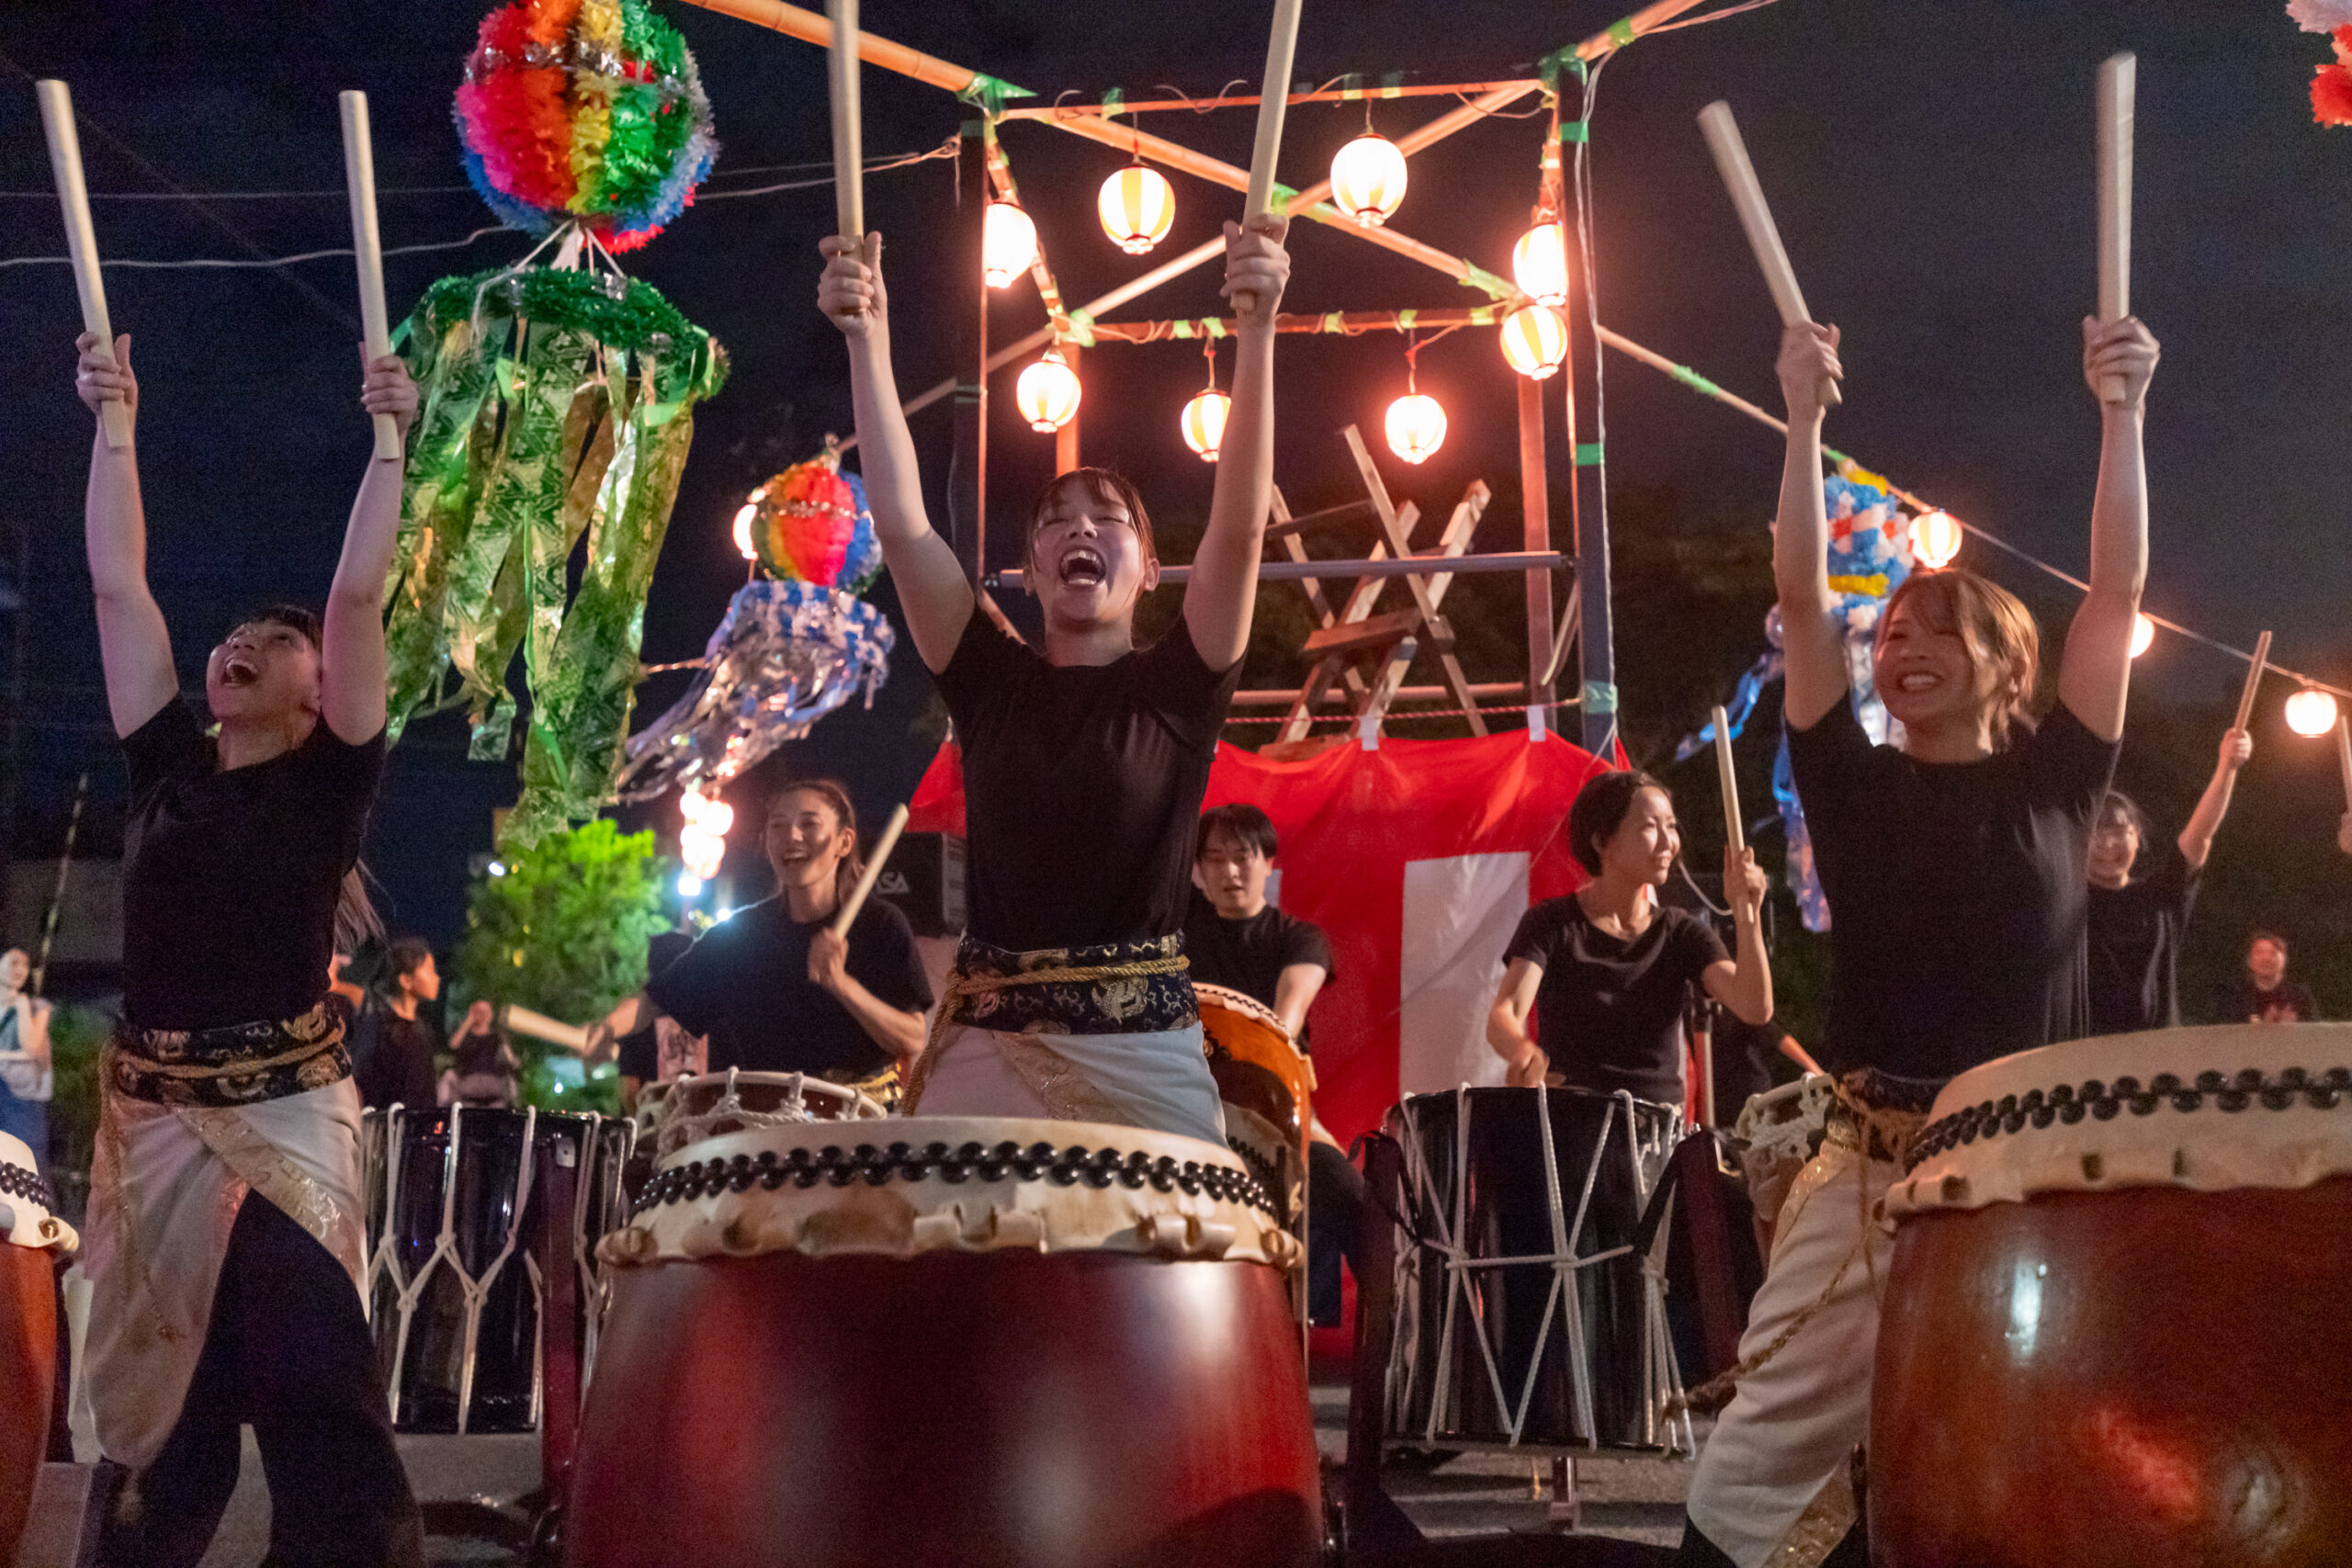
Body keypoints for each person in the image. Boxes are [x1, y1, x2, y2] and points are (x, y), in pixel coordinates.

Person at [1676, 312, 2155, 1568]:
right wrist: (1800, 421)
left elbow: (2114, 596)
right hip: (1871, 1168)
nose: (1905, 646)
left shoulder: (2059, 783)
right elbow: (1801, 595)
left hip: (2032, 1167)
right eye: (1894, 632)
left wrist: (2122, 414)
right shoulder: (1852, 783)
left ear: (2008, 666)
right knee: (1764, 1448)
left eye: (1942, 630)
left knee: (2021, 1448)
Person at [818, 208, 1291, 1145]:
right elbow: (904, 525)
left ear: (1149, 571)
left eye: (1108, 519)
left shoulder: (1179, 689)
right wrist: (866, 340)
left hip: (1145, 1053)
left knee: (1166, 1243)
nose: (1080, 528)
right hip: (989, 1047)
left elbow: (1238, 531)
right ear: (1029, 573)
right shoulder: (988, 681)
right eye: (1055, 520)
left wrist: (1258, 329)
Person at [70, 330, 424, 1567]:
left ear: (320, 693)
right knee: (160, 1428)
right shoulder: (166, 769)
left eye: (277, 642)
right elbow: (120, 588)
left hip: (284, 1116)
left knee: (314, 1378)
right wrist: (115, 423)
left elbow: (358, 599)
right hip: (154, 1126)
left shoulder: (330, 783)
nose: (244, 645)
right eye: (238, 634)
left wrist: (389, 441)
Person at [589, 782, 932, 1093]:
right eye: (778, 826)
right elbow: (657, 1000)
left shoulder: (880, 925)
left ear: (844, 842)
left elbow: (913, 1039)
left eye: (809, 824)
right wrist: (605, 1028)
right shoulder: (741, 936)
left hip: (860, 1120)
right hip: (767, 1114)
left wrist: (842, 985)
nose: (791, 835)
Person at [1487, 771, 1773, 1106]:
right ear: (1601, 841)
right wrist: (1521, 1050)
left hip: (1655, 1126)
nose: (1668, 842)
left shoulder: (1679, 932)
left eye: (1671, 826)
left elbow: (1754, 1007)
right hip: (1572, 1119)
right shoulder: (1552, 923)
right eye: (1650, 827)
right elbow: (1505, 1012)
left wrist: (1747, 915)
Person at [1182, 804, 1355, 1324]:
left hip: (1275, 1108)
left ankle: (1384, 1338)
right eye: (1215, 858)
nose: (1230, 871)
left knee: (1350, 1194)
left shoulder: (1299, 939)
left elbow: (1285, 1021)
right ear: (1197, 868)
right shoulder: (1179, 932)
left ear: (1268, 863)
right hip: (1185, 1106)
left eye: (1243, 856)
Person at [2085, 728, 2249, 1035]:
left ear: (2137, 837)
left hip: (2160, 1053)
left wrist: (2227, 767)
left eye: (2118, 831)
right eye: (2095, 833)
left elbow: (2200, 835)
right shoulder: (2066, 900)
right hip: (2085, 1054)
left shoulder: (2159, 895)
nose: (2106, 844)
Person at [351, 937, 442, 1111]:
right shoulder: (380, 1028)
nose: (436, 978)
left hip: (419, 1123)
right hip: (387, 1122)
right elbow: (363, 1082)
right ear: (406, 981)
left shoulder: (422, 1028)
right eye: (429, 970)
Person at [611, 928, 694, 1113]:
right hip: (702, 1127)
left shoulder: (639, 1027)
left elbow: (630, 1093)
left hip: (651, 1124)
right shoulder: (712, 1026)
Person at [0, 949, 54, 1174]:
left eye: (24, 965)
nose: (19, 970)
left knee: (27, 1172)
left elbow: (33, 1048)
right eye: (13, 963)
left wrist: (21, 1006)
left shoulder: (35, 1007)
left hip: (24, 1106)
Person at [2221, 931, 2319, 1023]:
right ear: (2249, 961)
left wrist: (2296, 1026)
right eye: (2259, 952)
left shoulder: (2300, 995)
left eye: (2273, 953)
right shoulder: (2237, 998)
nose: (2266, 958)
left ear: (2284, 960)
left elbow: (2316, 1031)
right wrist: (2265, 1028)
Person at [438, 1000, 519, 1109]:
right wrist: (469, 1021)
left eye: (486, 1012)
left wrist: (513, 1062)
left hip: (493, 1084)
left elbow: (510, 1059)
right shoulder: (465, 1037)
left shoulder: (497, 1038)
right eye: (479, 1012)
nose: (483, 1015)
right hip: (468, 1083)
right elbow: (453, 1046)